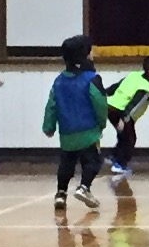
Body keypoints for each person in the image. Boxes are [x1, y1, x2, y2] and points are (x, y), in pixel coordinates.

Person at [43, 37, 107, 205]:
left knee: (66, 164)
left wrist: (49, 126)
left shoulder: (59, 80)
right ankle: (84, 187)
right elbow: (100, 103)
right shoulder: (92, 78)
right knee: (93, 161)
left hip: (67, 133)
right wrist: (102, 123)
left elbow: (51, 105)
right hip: (88, 131)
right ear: (85, 55)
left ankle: (60, 194)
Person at [101, 56, 149, 175]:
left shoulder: (134, 75)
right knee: (130, 139)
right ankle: (119, 164)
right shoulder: (146, 88)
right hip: (121, 112)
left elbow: (116, 86)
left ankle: (114, 156)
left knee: (124, 136)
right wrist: (123, 119)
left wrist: (103, 93)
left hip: (110, 107)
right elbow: (134, 105)